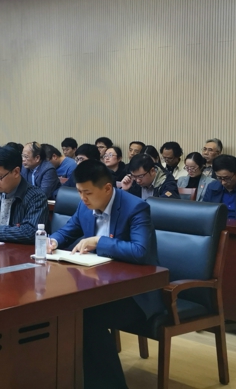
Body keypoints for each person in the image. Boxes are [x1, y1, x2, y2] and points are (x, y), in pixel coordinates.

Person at [47, 159, 163, 389]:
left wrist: (99, 242)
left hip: (134, 293)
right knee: (65, 311)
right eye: (79, 192)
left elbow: (140, 251)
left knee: (86, 317)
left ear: (107, 188)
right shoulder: (85, 205)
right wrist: (53, 241)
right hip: (98, 284)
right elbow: (68, 229)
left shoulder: (136, 208)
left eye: (87, 193)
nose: (83, 198)